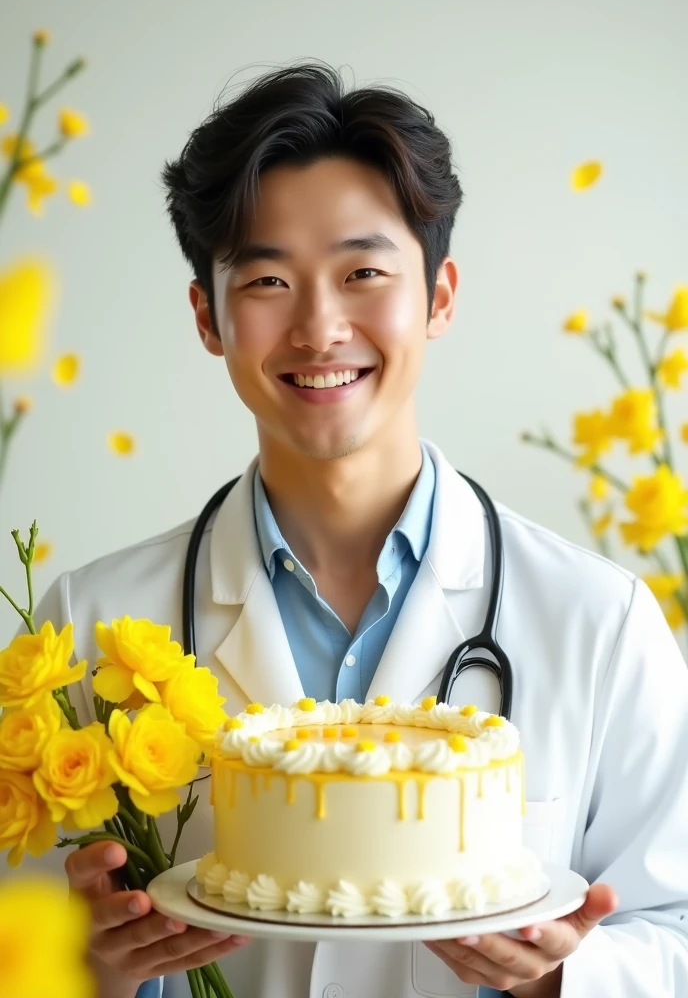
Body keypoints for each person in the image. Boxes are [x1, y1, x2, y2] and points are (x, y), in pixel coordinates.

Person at [22, 61, 688, 998]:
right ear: (208, 318)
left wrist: (562, 981)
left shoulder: (602, 623)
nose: (319, 326)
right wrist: (75, 969)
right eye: (266, 281)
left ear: (440, 296)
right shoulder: (88, 624)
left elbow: (677, 934)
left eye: (364, 272)